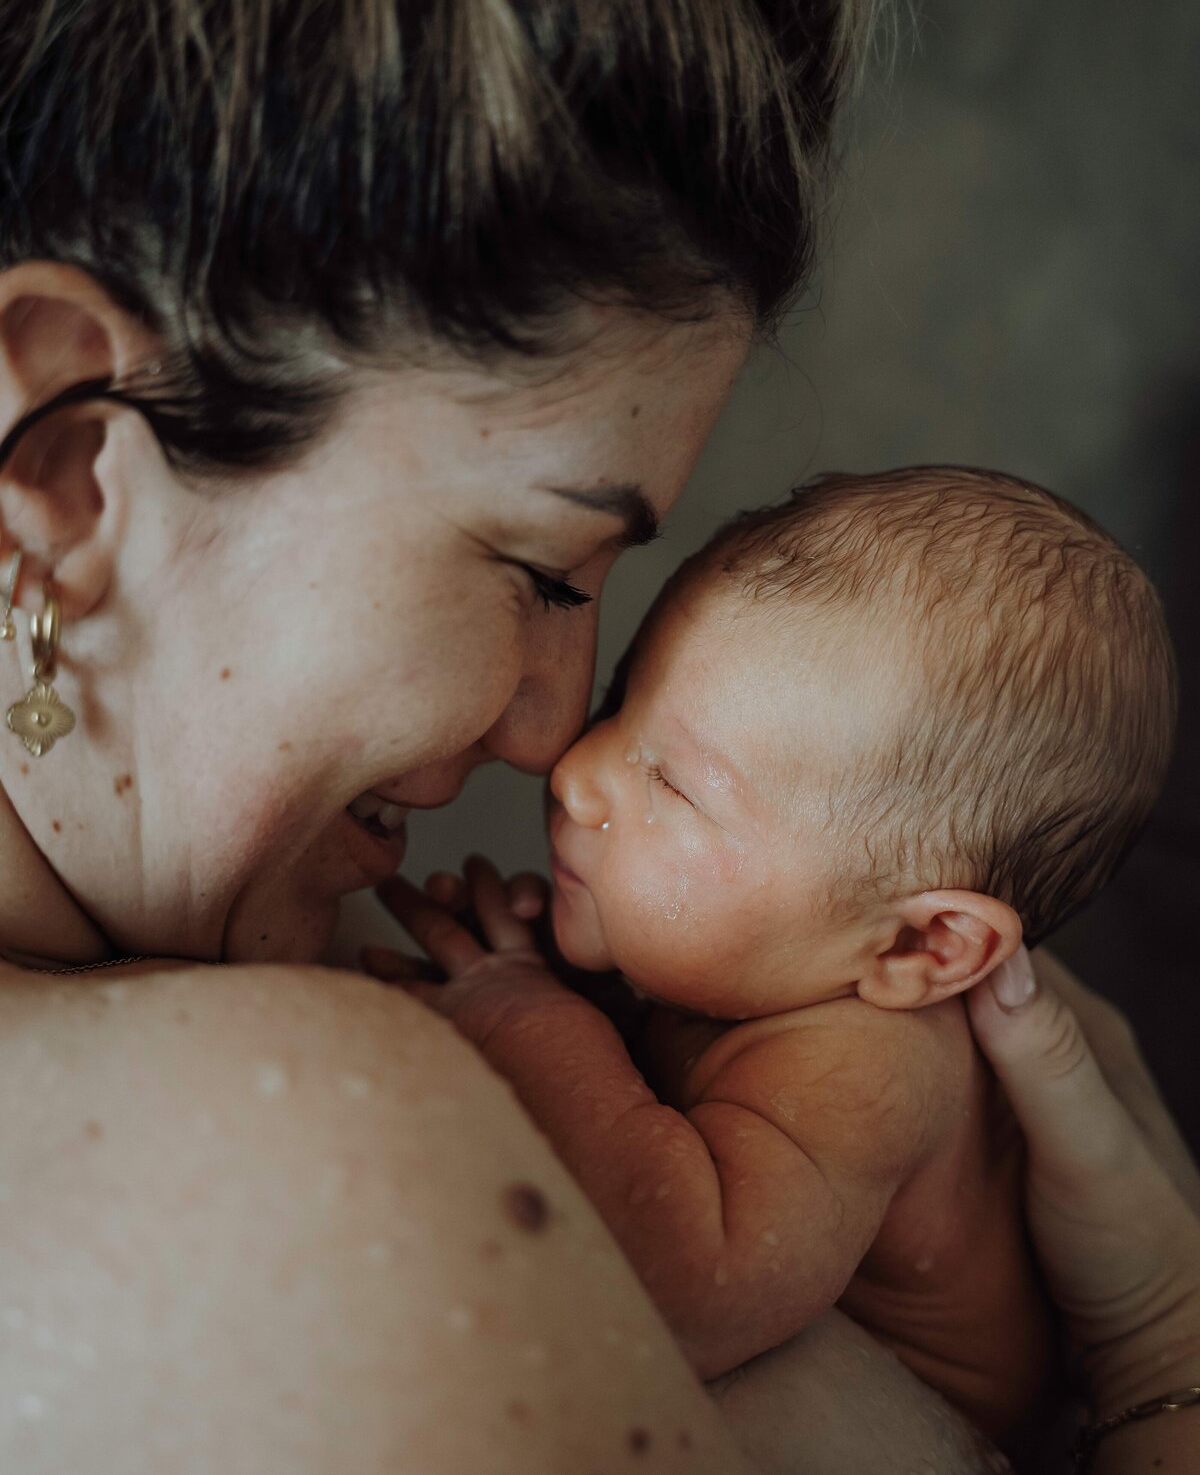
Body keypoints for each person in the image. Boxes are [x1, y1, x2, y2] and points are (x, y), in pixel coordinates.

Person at [0, 0, 1194, 1471]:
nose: (554, 737)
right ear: (69, 464)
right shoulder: (303, 1155)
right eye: (543, 571)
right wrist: (1165, 1359)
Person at [364, 465, 1176, 1444]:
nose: (576, 771)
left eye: (676, 785)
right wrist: (565, 984)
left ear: (919, 943)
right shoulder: (776, 971)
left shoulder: (867, 1065)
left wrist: (530, 1022)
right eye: (620, 702)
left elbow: (687, 1286)